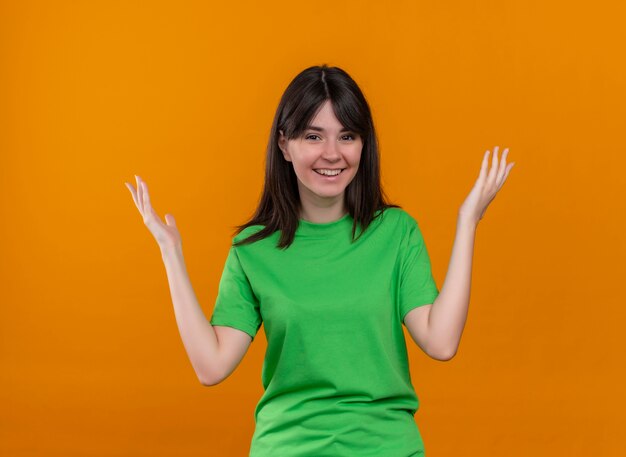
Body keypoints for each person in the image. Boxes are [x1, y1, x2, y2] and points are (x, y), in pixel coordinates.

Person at [125, 64, 515, 456]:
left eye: (347, 136)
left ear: (364, 144)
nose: (333, 154)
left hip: (387, 447)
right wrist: (170, 252)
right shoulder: (253, 249)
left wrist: (468, 222)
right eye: (314, 136)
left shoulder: (396, 233)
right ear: (284, 144)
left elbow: (441, 341)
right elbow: (211, 366)